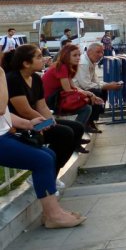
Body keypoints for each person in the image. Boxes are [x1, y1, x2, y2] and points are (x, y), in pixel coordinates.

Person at [0, 66, 87, 229]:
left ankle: (51, 213)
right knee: (41, 160)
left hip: (5, 134)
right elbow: (0, 108)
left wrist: (29, 124)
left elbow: (4, 114)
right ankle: (54, 215)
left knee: (48, 155)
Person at [5, 44, 89, 181]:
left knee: (77, 128)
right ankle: (44, 176)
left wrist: (51, 120)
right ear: (26, 63)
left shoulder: (36, 78)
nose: (43, 59)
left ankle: (51, 174)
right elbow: (24, 111)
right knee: (65, 133)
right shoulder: (13, 79)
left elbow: (42, 106)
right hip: (22, 125)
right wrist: (47, 122)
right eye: (38, 57)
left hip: (36, 121)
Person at [41, 44, 104, 132]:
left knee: (89, 102)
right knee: (86, 108)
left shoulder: (67, 67)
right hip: (50, 102)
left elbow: (73, 87)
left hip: (56, 98)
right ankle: (77, 133)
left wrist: (91, 94)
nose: (78, 58)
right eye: (75, 55)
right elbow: (68, 90)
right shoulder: (62, 67)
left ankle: (79, 132)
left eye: (79, 55)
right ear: (66, 55)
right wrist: (88, 95)